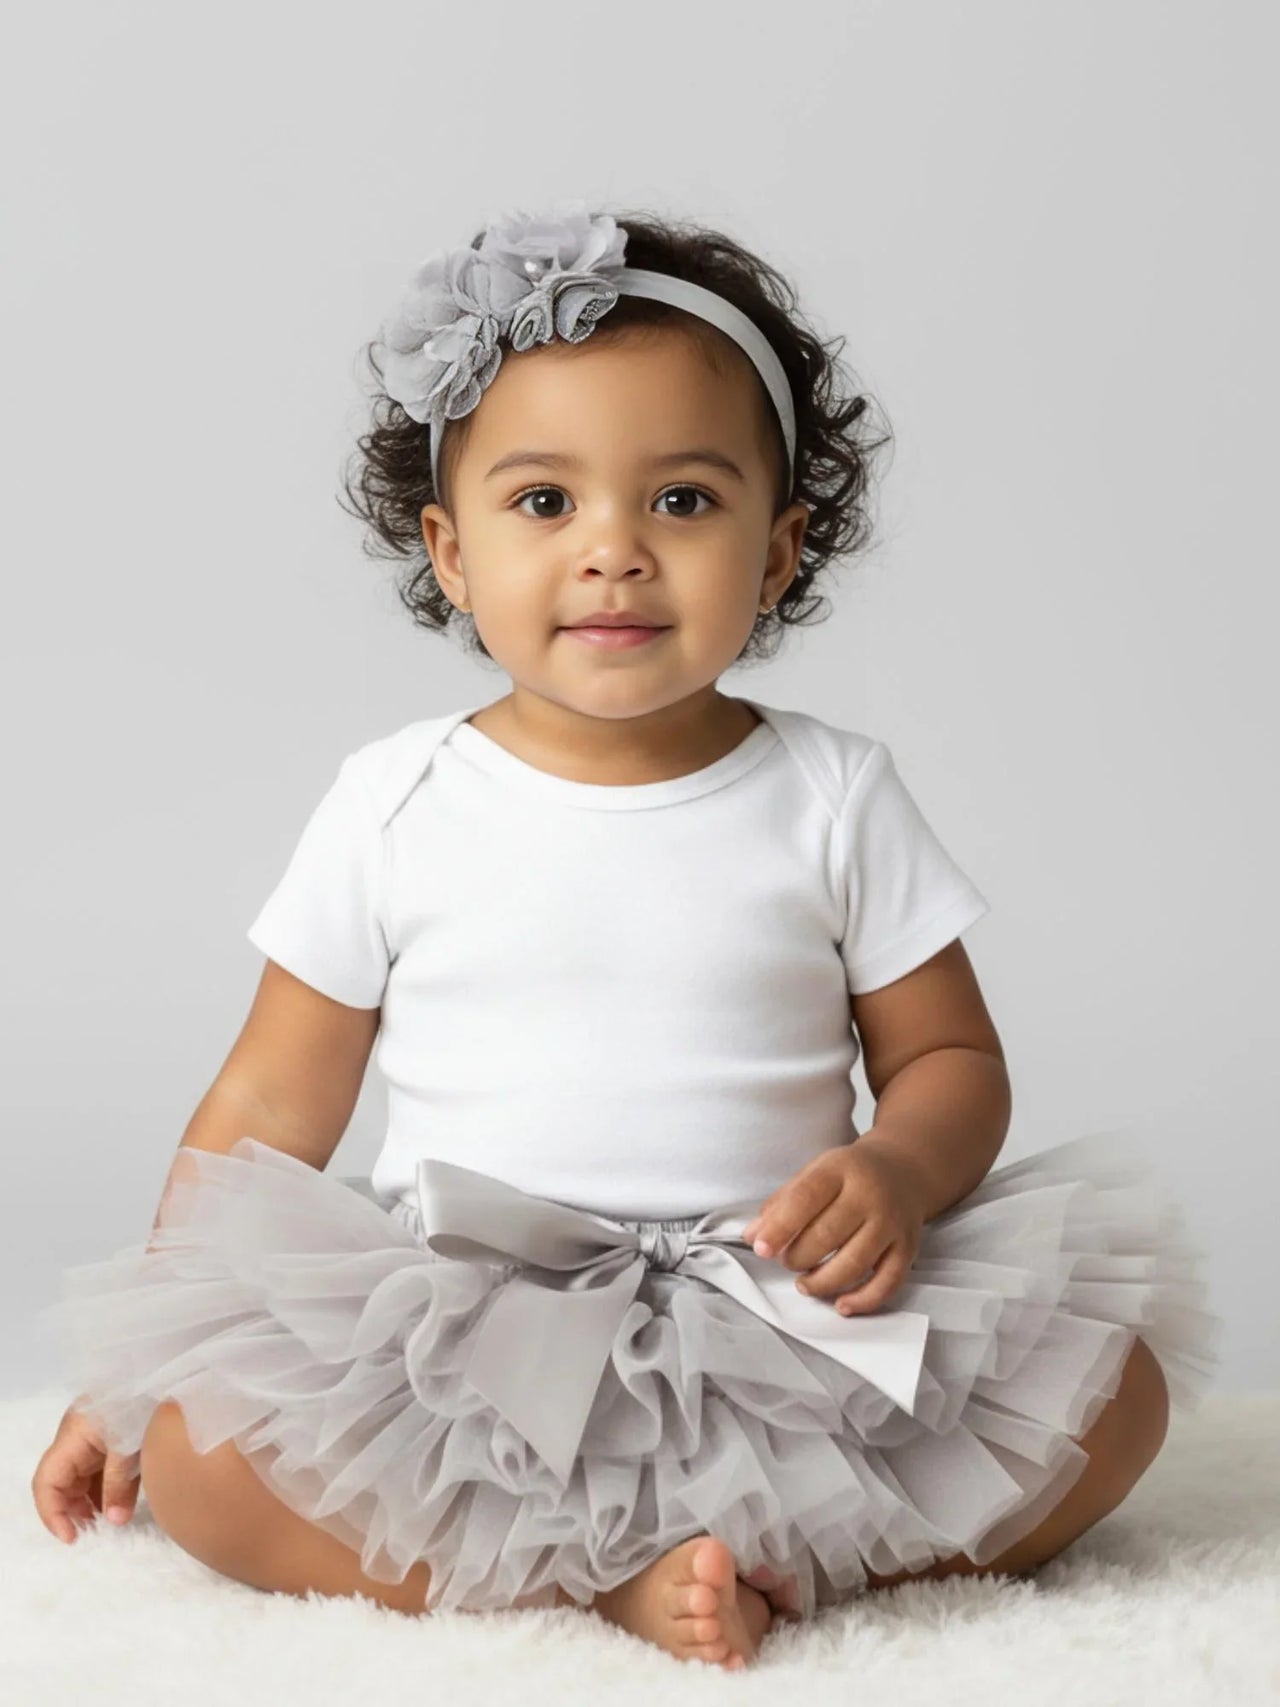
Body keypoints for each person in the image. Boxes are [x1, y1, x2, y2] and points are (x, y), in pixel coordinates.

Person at [31, 198, 1223, 1673]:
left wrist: (898, 1172)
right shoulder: (395, 802)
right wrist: (135, 1364)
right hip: (467, 1332)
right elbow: (270, 1101)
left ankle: (766, 1558)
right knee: (205, 1458)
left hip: (778, 1308)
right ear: (449, 551)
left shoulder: (831, 794)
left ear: (778, 552)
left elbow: (952, 1060)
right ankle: (597, 1592)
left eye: (684, 502)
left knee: (1113, 1393)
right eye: (545, 503)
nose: (614, 554)